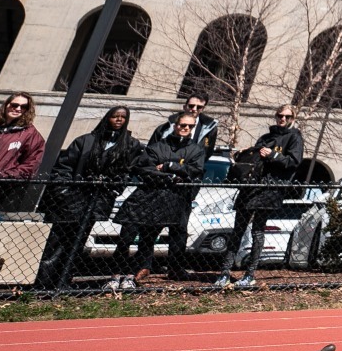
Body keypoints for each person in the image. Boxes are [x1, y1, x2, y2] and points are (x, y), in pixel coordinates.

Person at [36, 105, 141, 290]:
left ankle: (63, 282)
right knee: (57, 241)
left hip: (97, 201)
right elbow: (64, 167)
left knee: (77, 243)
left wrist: (113, 189)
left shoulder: (129, 145)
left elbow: (126, 172)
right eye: (114, 116)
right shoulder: (86, 141)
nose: (118, 120)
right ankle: (44, 284)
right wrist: (65, 190)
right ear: (107, 118)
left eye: (123, 118)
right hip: (71, 199)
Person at [110, 111, 206, 287]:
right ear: (175, 125)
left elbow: (195, 170)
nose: (186, 128)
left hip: (179, 198)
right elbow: (145, 168)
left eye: (190, 126)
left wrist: (170, 166)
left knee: (179, 233)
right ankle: (143, 267)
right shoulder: (157, 147)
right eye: (182, 125)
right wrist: (172, 175)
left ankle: (175, 268)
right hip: (153, 196)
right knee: (148, 234)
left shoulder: (197, 149)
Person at [216, 105, 302, 289]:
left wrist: (274, 155)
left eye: (287, 117)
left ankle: (250, 274)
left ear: (293, 118)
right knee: (237, 230)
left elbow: (294, 162)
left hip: (271, 189)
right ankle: (224, 273)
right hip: (251, 186)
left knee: (257, 231)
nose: (283, 119)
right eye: (280, 116)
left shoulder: (294, 137)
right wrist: (248, 153)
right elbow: (254, 161)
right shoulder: (265, 137)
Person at [148, 94, 219, 278]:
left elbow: (204, 156)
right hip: (162, 183)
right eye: (191, 105)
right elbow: (152, 152)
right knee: (153, 226)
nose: (194, 109)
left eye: (199, 107)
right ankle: (145, 265)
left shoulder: (209, 127)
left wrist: (185, 171)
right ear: (185, 105)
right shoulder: (168, 125)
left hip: (186, 184)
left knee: (179, 227)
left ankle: (175, 267)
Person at [0, 93, 45, 236]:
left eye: (23, 106)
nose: (18, 108)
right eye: (14, 105)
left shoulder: (31, 136)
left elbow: (29, 167)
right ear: (6, 105)